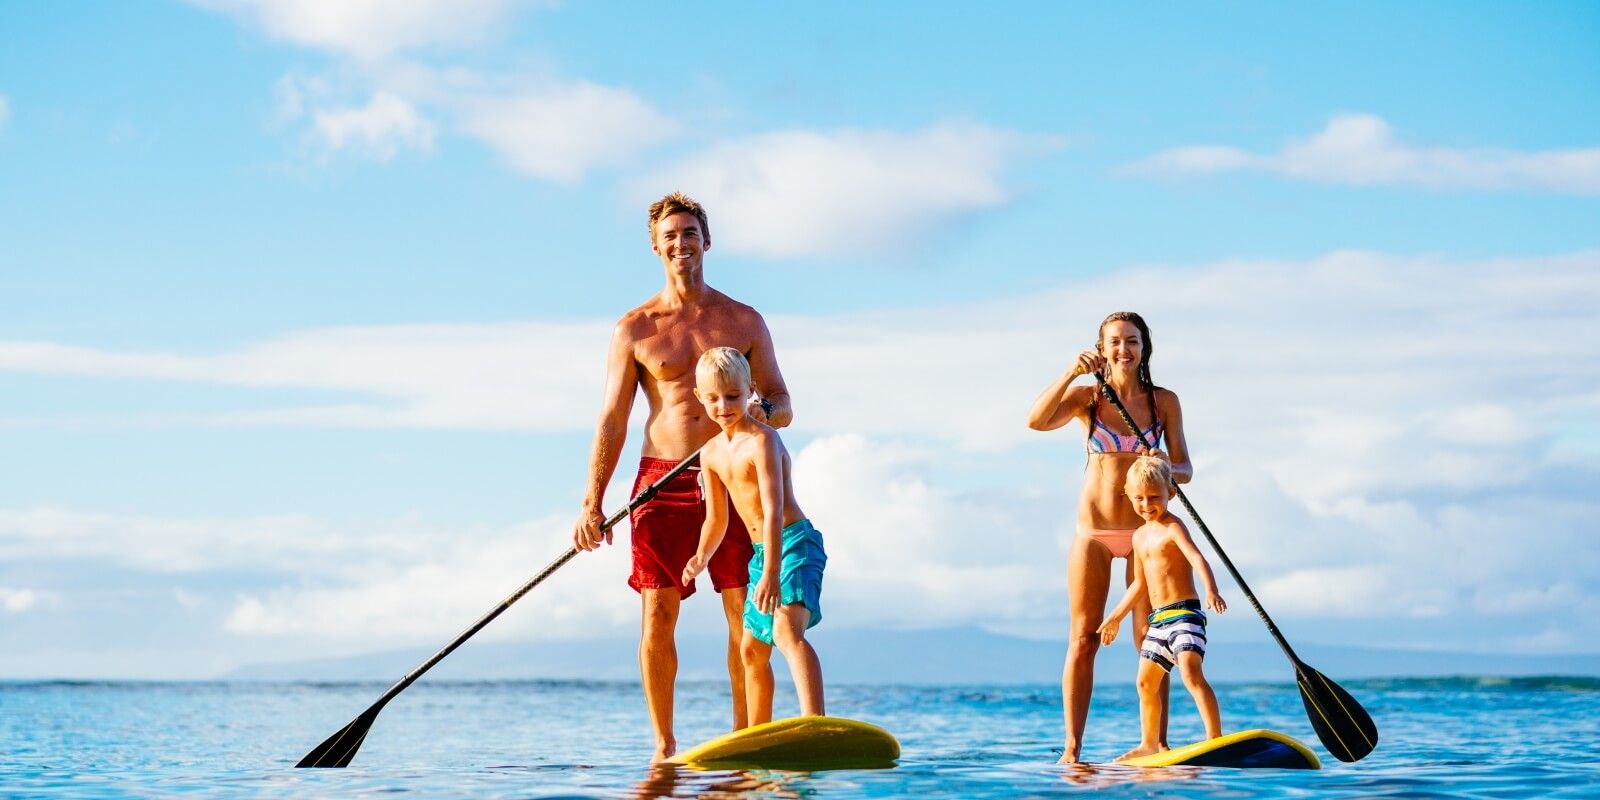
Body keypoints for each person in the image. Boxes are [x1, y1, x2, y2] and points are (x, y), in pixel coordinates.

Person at [573, 192, 793, 763]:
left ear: (707, 241)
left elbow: (782, 401)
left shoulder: (743, 320)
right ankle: (665, 746)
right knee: (658, 612)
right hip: (659, 481)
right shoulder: (635, 328)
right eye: (670, 236)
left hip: (732, 473)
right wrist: (591, 502)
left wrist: (754, 417)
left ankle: (747, 737)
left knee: (744, 609)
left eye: (690, 232)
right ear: (655, 246)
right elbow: (613, 419)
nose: (681, 243)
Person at [1026, 311, 1193, 764]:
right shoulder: (1089, 397)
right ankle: (1072, 750)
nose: (1124, 349)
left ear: (1145, 348)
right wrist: (1069, 373)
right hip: (1095, 533)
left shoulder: (1165, 402)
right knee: (1083, 638)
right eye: (1115, 342)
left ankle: (1155, 744)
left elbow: (1186, 470)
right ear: (1102, 349)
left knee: (1152, 638)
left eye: (1132, 341)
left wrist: (1163, 464)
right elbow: (1036, 422)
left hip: (1147, 535)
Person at [682, 347, 826, 724]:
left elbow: (774, 509)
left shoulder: (762, 441)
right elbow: (717, 519)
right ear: (699, 396)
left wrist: (772, 573)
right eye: (713, 398)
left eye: (733, 396)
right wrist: (701, 556)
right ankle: (758, 733)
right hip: (763, 554)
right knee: (750, 649)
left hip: (792, 544)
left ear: (751, 390)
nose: (723, 405)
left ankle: (815, 722)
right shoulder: (710, 453)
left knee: (785, 632)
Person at [1098, 456, 1226, 761]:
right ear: (1128, 495)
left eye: (1155, 497)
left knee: (1191, 672)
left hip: (1185, 614)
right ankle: (1149, 743)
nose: (1146, 504)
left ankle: (1215, 737)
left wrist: (1211, 589)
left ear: (1171, 492)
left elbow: (1197, 558)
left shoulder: (1173, 527)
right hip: (1158, 622)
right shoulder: (1139, 536)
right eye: (1139, 498)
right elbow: (1139, 585)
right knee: (1145, 682)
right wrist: (1115, 616)